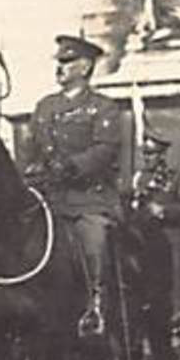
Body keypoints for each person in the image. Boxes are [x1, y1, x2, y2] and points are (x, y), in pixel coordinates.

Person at [27, 34, 122, 337]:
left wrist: (72, 166)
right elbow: (32, 150)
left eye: (67, 62)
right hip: (49, 199)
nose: (60, 68)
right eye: (59, 61)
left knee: (94, 241)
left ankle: (95, 306)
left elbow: (105, 150)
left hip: (87, 199)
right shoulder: (44, 107)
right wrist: (32, 172)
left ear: (85, 67)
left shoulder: (103, 108)